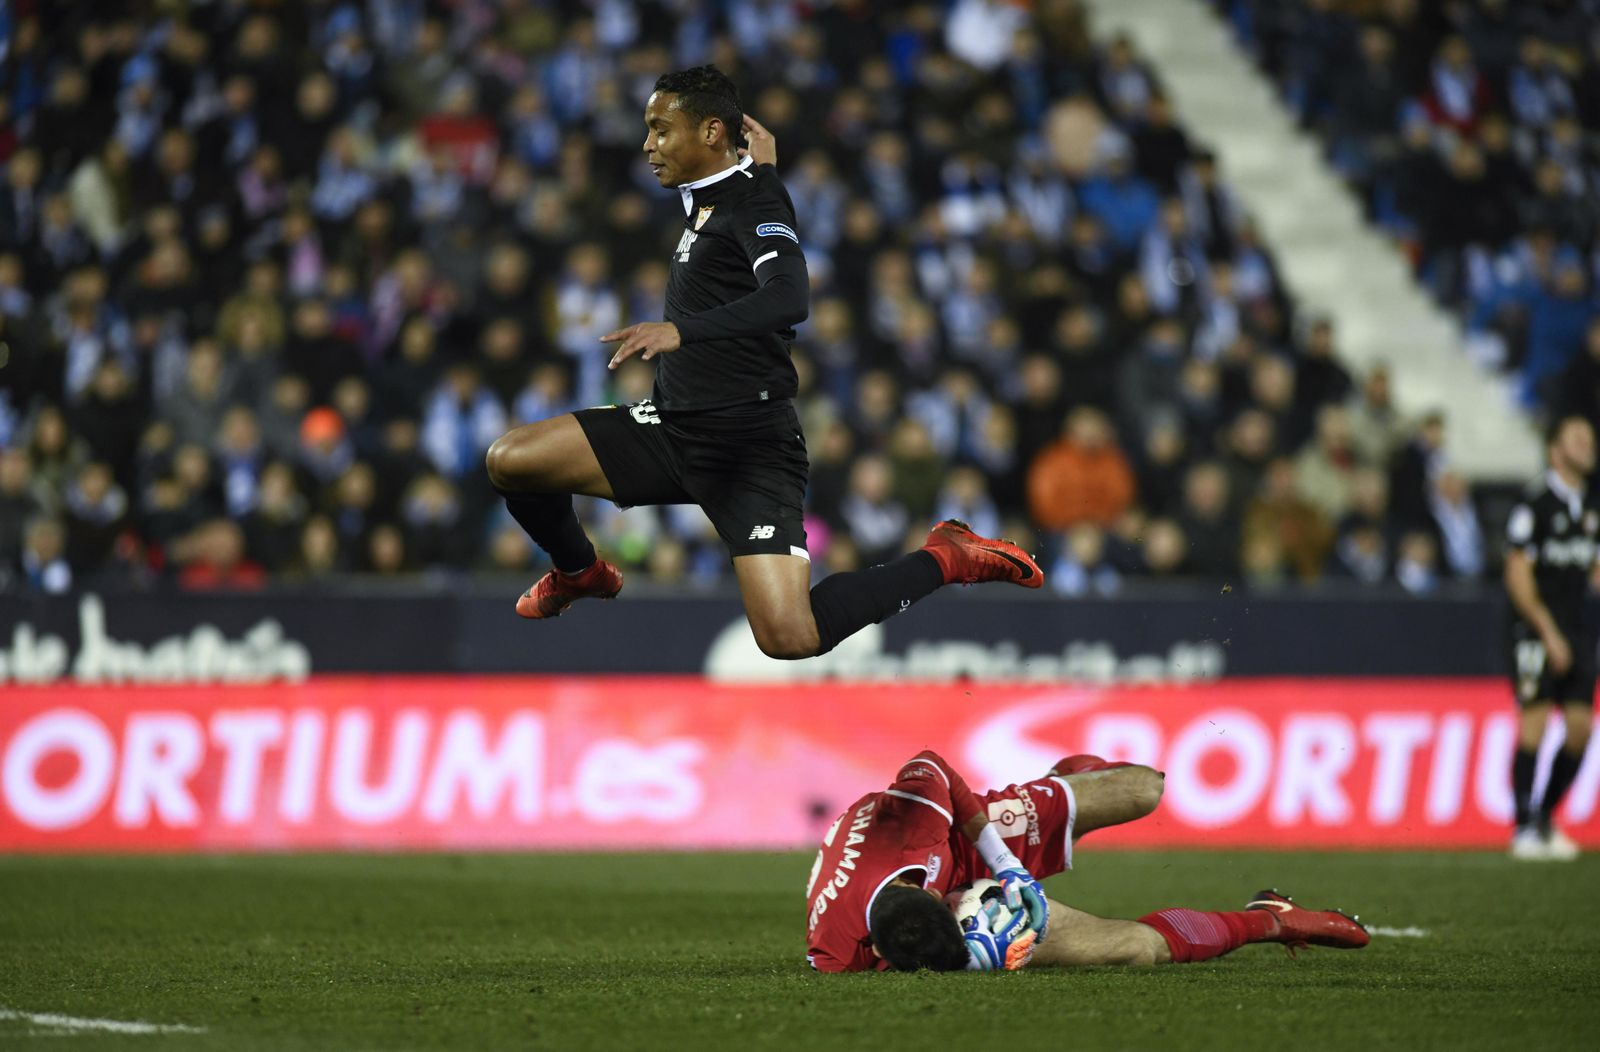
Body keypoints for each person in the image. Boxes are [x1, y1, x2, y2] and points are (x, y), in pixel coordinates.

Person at [485, 66, 1041, 658]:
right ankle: (580, 573)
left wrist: (681, 330)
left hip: (752, 449)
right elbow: (753, 196)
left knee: (788, 638)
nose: (647, 144)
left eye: (661, 129)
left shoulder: (750, 202)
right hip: (673, 428)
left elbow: (788, 296)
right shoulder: (728, 190)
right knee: (511, 460)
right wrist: (765, 168)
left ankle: (947, 558)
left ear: (712, 132)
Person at [806, 750, 1369, 972]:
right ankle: (1271, 919)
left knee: (1144, 789)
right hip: (931, 901)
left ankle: (1066, 782)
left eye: (950, 906)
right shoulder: (836, 950)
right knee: (1135, 950)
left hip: (964, 840)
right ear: (876, 950)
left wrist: (1005, 868)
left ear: (932, 893)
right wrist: (980, 954)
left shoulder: (914, 823)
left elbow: (933, 764)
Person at [1503, 415, 1596, 861]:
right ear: (1556, 449)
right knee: (1535, 722)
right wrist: (1547, 631)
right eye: (1578, 438)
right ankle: (1522, 826)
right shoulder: (1535, 504)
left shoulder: (1592, 505)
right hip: (1537, 630)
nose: (1589, 445)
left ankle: (1544, 818)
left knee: (1580, 728)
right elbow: (1517, 572)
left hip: (1579, 630)